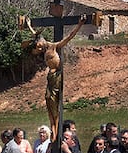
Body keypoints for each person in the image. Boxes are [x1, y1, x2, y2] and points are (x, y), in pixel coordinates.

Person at [25, 15, 86, 143]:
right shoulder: (44, 47)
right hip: (50, 77)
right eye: (38, 47)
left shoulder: (54, 46)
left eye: (39, 46)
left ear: (42, 41)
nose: (39, 49)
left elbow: (69, 37)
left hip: (57, 76)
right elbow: (35, 36)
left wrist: (80, 24)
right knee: (48, 100)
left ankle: (56, 129)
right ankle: (52, 126)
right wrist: (29, 25)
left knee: (54, 102)